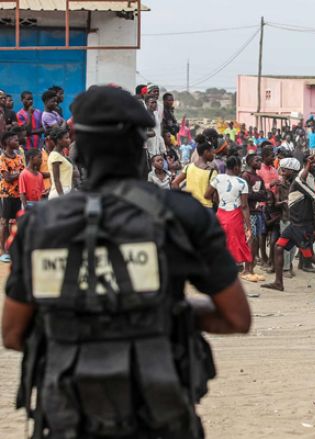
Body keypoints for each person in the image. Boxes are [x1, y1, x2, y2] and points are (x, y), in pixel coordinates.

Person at [2, 85, 251, 439]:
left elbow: (13, 333)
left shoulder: (39, 225)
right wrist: (165, 310)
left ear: (78, 152)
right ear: (140, 150)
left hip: (67, 419)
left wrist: (80, 313)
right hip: (159, 416)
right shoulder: (182, 216)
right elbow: (236, 316)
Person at [262, 157, 315, 292]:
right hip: (294, 225)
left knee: (309, 255)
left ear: (291, 171)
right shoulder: (297, 180)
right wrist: (307, 165)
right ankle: (279, 282)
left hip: (302, 226)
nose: (281, 173)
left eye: (283, 171)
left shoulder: (297, 183)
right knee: (278, 247)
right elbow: (302, 174)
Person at [205, 156, 254, 280]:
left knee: (221, 242)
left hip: (221, 214)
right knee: (243, 241)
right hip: (235, 215)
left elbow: (206, 195)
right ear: (236, 167)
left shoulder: (217, 178)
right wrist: (249, 227)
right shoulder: (242, 183)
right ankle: (247, 270)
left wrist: (217, 195)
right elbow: (244, 206)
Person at [0, 131, 24, 263]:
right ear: (7, 142)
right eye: (15, 140)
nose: (17, 141)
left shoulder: (19, 156)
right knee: (4, 222)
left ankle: (12, 249)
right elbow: (7, 178)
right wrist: (19, 174)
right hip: (7, 194)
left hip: (18, 193)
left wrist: (18, 174)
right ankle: (3, 251)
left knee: (14, 222)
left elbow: (22, 172)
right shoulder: (3, 158)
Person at [171, 141, 217, 211]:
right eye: (212, 152)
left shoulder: (188, 167)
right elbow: (209, 195)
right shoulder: (212, 172)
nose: (213, 155)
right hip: (205, 208)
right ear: (206, 152)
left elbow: (175, 183)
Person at [242, 153, 268, 277]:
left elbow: (266, 195)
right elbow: (248, 195)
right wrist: (259, 193)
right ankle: (247, 268)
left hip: (258, 212)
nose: (260, 162)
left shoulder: (259, 178)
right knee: (250, 240)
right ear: (249, 161)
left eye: (260, 160)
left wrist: (258, 194)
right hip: (250, 213)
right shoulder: (246, 176)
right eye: (257, 160)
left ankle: (251, 266)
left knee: (256, 240)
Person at [46, 126, 73, 199]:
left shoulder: (61, 155)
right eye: (66, 138)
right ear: (58, 140)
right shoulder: (55, 156)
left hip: (65, 192)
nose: (69, 140)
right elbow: (56, 180)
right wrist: (62, 199)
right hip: (59, 194)